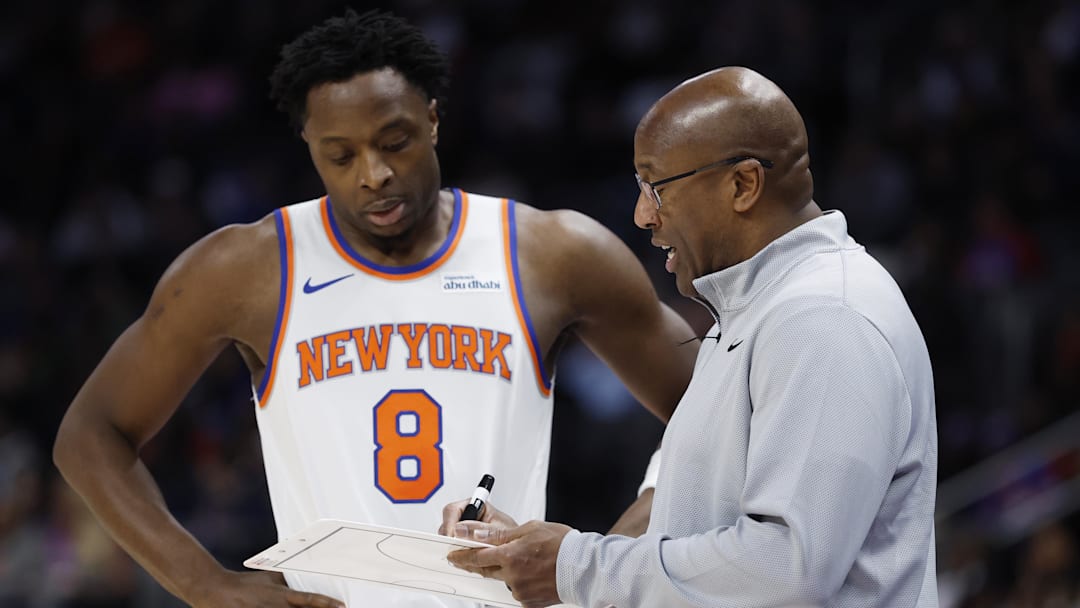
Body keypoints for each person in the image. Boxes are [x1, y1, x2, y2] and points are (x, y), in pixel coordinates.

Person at [51, 10, 698, 608]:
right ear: (309, 145)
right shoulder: (244, 270)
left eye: (395, 141)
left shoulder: (551, 253)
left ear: (434, 119)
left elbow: (717, 406)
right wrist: (205, 585)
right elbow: (90, 436)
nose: (374, 173)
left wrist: (602, 557)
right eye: (341, 154)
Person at [446, 66, 939, 608]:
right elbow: (680, 528)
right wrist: (533, 555)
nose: (642, 215)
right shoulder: (755, 310)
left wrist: (575, 567)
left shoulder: (824, 318)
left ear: (743, 184)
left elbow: (786, 572)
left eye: (656, 187)